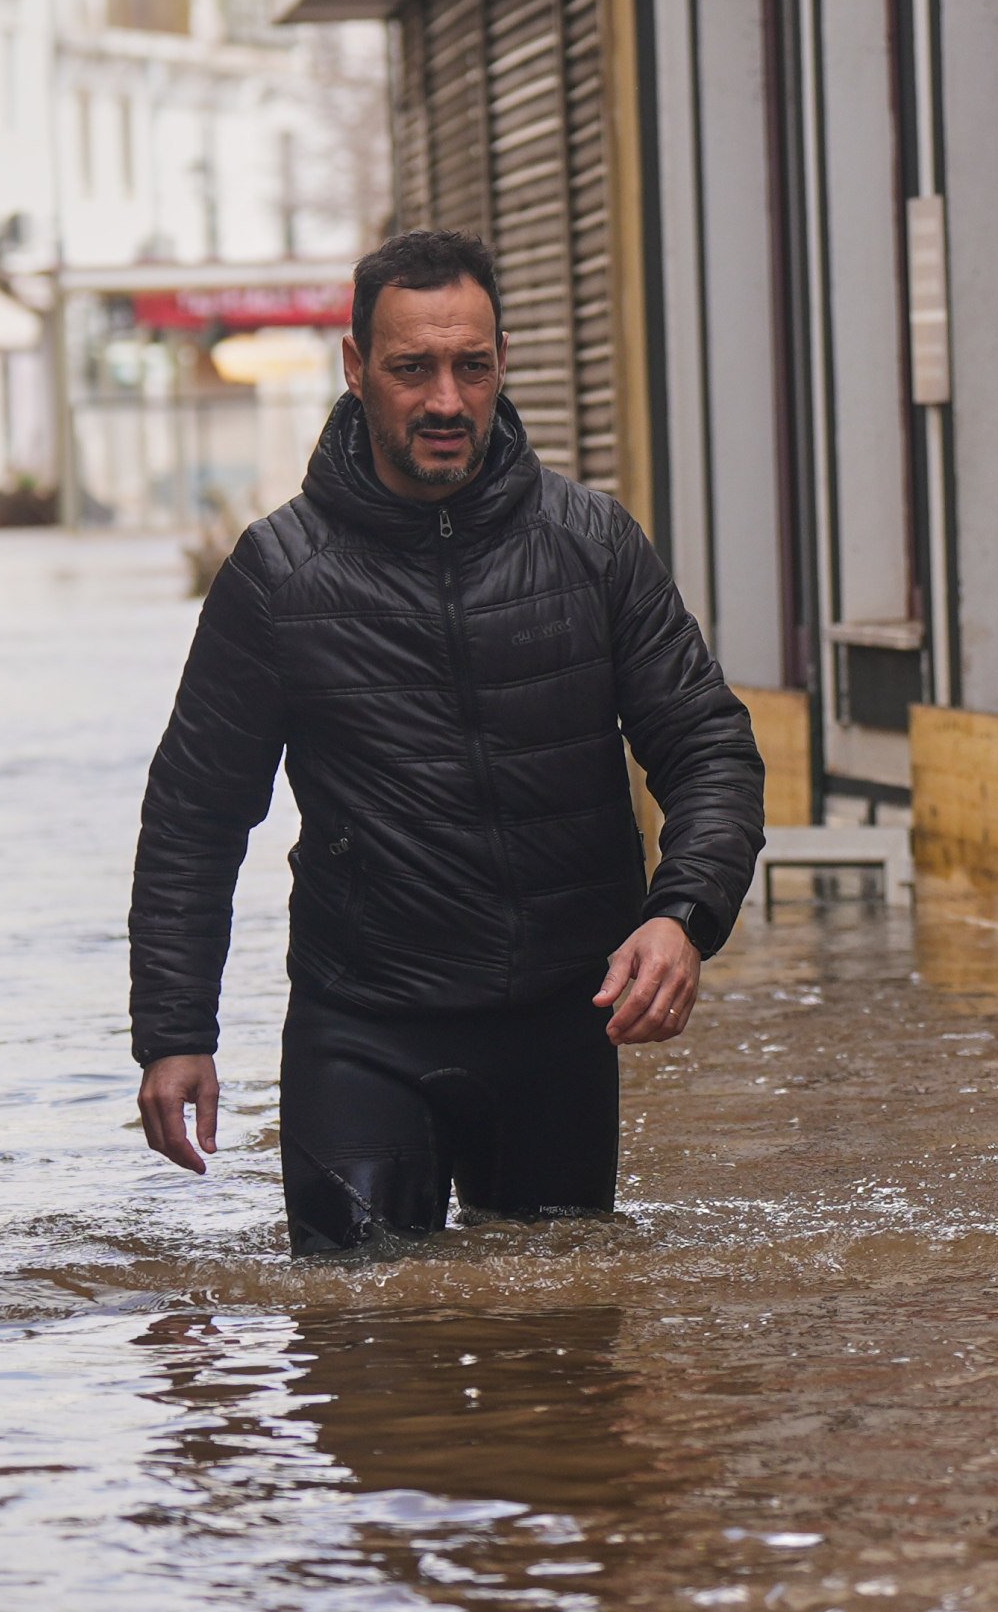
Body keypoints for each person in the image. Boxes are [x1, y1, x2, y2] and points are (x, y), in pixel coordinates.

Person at [126, 229, 765, 1250]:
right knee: (363, 1351)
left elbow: (709, 749)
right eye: (412, 368)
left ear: (502, 362)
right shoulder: (277, 577)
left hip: (562, 1024)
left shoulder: (592, 545)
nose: (445, 401)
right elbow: (195, 820)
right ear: (356, 370)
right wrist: (173, 1035)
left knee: (560, 1367)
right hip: (364, 1026)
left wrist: (685, 914)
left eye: (471, 367)